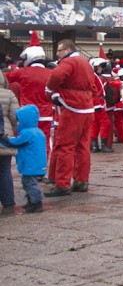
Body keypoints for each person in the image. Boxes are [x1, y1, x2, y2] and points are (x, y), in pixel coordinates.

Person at [44, 40, 100, 197]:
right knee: (83, 147)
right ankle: (82, 181)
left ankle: (62, 183)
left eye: (59, 50)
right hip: (87, 109)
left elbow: (56, 75)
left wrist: (50, 90)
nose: (57, 54)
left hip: (71, 108)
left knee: (65, 146)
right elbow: (94, 88)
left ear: (67, 49)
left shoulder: (68, 62)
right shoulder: (86, 64)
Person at [5, 34, 53, 166]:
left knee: (25, 141)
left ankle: (28, 167)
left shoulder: (23, 72)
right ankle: (42, 167)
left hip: (26, 115)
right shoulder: (51, 73)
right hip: (46, 115)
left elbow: (5, 78)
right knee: (44, 142)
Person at [0, 104, 46, 213]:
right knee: (28, 183)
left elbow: (16, 142)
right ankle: (32, 201)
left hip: (30, 164)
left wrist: (4, 139)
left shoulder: (27, 133)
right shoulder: (37, 131)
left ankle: (36, 203)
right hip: (35, 163)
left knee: (30, 184)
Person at [0, 72, 20, 214]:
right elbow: (15, 117)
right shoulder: (8, 94)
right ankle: (8, 203)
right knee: (5, 170)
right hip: (4, 136)